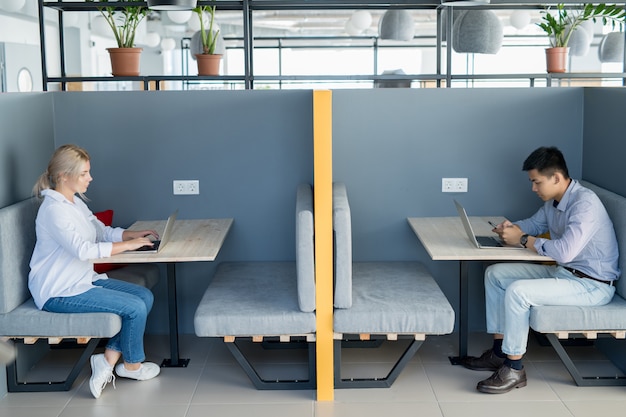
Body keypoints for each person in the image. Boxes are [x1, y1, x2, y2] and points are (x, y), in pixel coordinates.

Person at [460, 146, 620, 394]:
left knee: (518, 292)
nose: (533, 188)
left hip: (591, 286)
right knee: (495, 274)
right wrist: (509, 229)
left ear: (556, 177)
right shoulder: (555, 201)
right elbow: (534, 224)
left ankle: (514, 369)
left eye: (536, 182)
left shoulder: (584, 204)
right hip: (565, 274)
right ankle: (499, 353)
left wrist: (523, 239)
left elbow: (565, 251)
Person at [29, 144, 162, 399]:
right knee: (133, 308)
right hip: (58, 291)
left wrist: (132, 235)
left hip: (82, 281)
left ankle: (108, 361)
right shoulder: (54, 210)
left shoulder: (74, 203)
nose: (90, 178)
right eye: (84, 173)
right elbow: (83, 250)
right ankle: (131, 366)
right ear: (64, 176)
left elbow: (101, 231)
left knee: (144, 297)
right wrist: (128, 246)